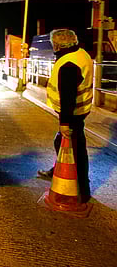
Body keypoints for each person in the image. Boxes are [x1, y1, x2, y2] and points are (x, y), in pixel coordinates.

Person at [38, 29, 93, 202]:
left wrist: (65, 123)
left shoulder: (68, 64)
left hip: (73, 113)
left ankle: (83, 191)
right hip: (81, 109)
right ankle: (57, 171)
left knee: (76, 149)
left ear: (57, 44)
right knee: (61, 142)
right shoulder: (80, 53)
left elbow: (67, 96)